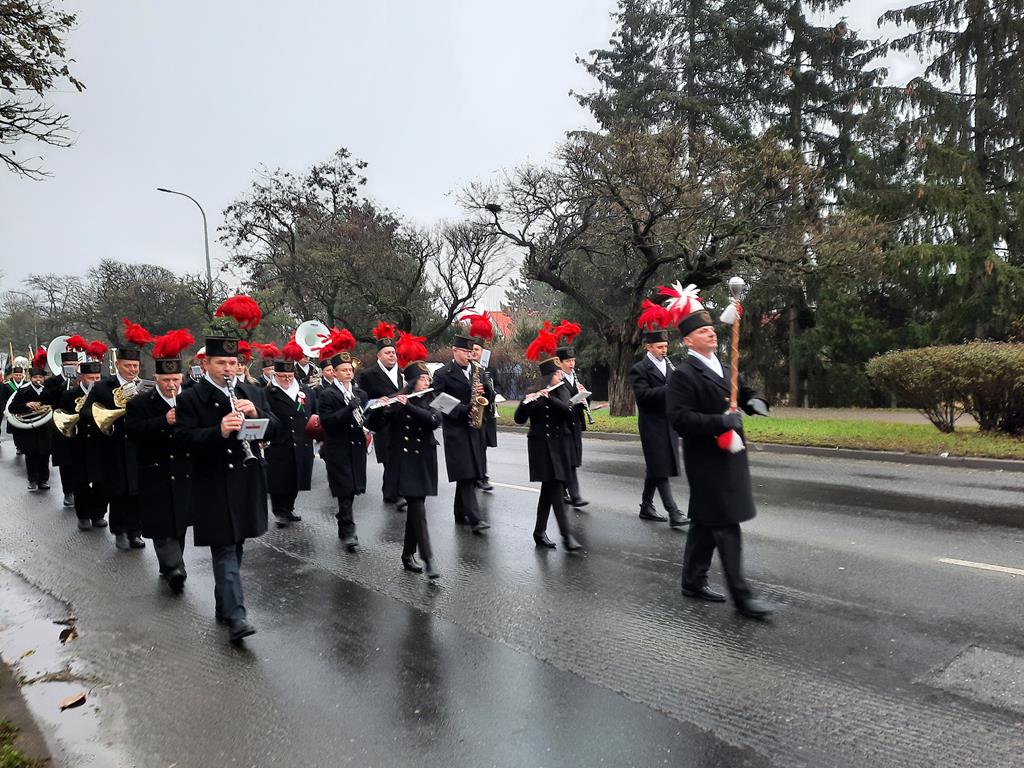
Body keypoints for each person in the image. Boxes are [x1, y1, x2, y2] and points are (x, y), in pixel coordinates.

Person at [666, 305, 773, 619]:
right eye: (702, 330)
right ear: (687, 341)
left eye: (711, 328)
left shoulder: (726, 367)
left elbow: (742, 391)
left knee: (704, 522)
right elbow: (680, 420)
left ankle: (692, 581)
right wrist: (720, 422)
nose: (711, 332)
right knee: (726, 523)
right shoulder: (683, 376)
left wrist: (756, 401)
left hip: (731, 456)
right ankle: (742, 597)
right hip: (707, 461)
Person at [175, 334, 280, 642]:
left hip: (247, 479)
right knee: (224, 548)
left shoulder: (252, 392)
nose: (228, 368)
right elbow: (182, 440)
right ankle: (237, 616)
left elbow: (275, 429)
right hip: (213, 482)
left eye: (233, 363)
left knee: (237, 545)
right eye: (220, 362)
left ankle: (225, 605)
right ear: (206, 364)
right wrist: (217, 431)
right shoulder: (191, 398)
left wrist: (256, 415)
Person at [124, 330, 194, 593]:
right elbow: (133, 432)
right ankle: (175, 567)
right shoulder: (140, 403)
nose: (171, 385)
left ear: (182, 378)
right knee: (162, 523)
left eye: (176, 379)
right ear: (156, 380)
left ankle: (171, 565)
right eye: (166, 380)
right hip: (155, 470)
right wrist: (164, 422)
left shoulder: (189, 400)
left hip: (183, 470)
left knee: (179, 525)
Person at [366, 358, 442, 578]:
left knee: (416, 512)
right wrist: (381, 408)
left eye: (428, 378)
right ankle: (429, 559)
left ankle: (407, 554)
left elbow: (434, 421)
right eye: (423, 379)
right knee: (418, 508)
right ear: (412, 382)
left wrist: (408, 406)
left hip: (424, 460)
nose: (427, 382)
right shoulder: (395, 400)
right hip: (403, 461)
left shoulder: (434, 399)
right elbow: (373, 425)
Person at [82, 329, 148, 551]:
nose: (132, 370)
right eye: (128, 366)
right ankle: (119, 532)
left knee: (137, 491)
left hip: (137, 446)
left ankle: (136, 532)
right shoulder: (102, 387)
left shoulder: (143, 388)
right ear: (118, 364)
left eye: (135, 366)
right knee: (119, 492)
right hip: (112, 446)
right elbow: (85, 413)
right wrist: (108, 417)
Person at [514, 349, 582, 552]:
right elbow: (519, 419)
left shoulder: (562, 391)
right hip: (541, 448)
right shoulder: (534, 391)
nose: (560, 376)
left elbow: (570, 414)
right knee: (553, 489)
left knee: (550, 490)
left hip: (560, 446)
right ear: (548, 376)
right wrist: (527, 403)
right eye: (557, 374)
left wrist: (550, 399)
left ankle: (539, 531)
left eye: (560, 374)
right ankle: (566, 536)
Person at [431, 334, 494, 533]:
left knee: (469, 473)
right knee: (466, 474)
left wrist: (485, 391)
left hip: (475, 428)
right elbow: (437, 399)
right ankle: (475, 519)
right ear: (454, 351)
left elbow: (490, 396)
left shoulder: (478, 370)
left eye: (471, 352)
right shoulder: (443, 373)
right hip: (456, 430)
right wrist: (463, 409)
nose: (469, 355)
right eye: (465, 352)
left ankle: (459, 513)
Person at [630, 325, 687, 527]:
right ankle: (673, 512)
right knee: (660, 467)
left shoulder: (670, 366)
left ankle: (646, 506)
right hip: (651, 423)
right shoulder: (639, 369)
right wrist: (669, 389)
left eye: (665, 346)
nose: (664, 350)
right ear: (648, 347)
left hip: (668, 422)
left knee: (656, 465)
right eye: (660, 347)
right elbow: (643, 397)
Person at [317, 350, 369, 550]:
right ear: (335, 373)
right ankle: (348, 532)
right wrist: (348, 410)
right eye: (343, 370)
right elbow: (327, 422)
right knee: (344, 489)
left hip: (356, 447)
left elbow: (365, 418)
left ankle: (343, 516)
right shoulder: (327, 394)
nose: (348, 373)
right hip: (338, 448)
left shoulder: (360, 393)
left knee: (353, 489)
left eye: (350, 369)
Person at [264, 353, 314, 528]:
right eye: (283, 376)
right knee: (280, 479)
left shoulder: (305, 391)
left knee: (297, 477)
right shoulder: (268, 393)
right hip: (280, 442)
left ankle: (289, 507)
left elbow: (313, 412)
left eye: (290, 376)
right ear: (275, 375)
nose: (287, 379)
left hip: (302, 441)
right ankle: (279, 511)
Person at [357, 321, 403, 507]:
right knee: (389, 459)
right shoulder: (368, 375)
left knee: (399, 458)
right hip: (382, 422)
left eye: (393, 352)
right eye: (388, 353)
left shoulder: (402, 373)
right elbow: (362, 400)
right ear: (379, 355)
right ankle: (392, 494)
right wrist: (377, 402)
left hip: (399, 420)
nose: (392, 355)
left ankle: (393, 492)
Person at [57, 360, 107, 531]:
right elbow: (63, 421)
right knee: (81, 483)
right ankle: (84, 516)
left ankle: (99, 514)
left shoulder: (105, 393)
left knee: (102, 482)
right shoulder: (69, 395)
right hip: (78, 443)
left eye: (98, 377)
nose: (95, 380)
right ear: (82, 378)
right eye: (91, 377)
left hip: (100, 443)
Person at [40, 342, 88, 507]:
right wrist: (62, 385)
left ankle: (81, 491)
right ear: (62, 365)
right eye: (68, 365)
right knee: (65, 461)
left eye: (74, 365)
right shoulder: (52, 381)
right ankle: (68, 492)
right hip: (61, 426)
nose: (71, 367)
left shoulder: (82, 379)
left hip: (80, 426)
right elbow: (45, 399)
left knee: (81, 460)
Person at [7, 358, 53, 491]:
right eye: (35, 377)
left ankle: (43, 480)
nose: (38, 379)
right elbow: (12, 408)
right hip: (30, 428)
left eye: (40, 377)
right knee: (31, 455)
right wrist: (26, 405)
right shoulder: (23, 391)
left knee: (45, 454)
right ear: (30, 378)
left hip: (45, 428)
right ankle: (32, 480)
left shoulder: (47, 391)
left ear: (43, 379)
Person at [555, 341, 589, 507]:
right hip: (563, 425)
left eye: (573, 361)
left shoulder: (575, 377)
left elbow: (583, 398)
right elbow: (561, 401)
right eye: (568, 362)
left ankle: (562, 491)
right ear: (560, 363)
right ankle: (575, 496)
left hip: (575, 422)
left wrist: (584, 397)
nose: (571, 364)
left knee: (572, 458)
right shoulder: (557, 378)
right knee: (568, 460)